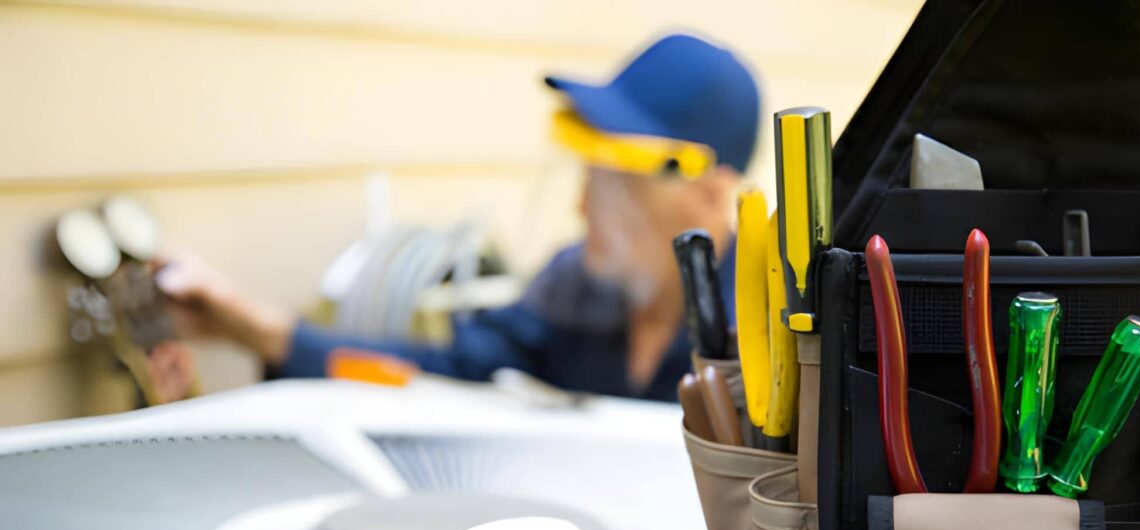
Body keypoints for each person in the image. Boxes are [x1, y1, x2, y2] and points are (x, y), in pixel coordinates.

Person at [154, 34, 760, 401]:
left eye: (619, 189)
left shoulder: (772, 336)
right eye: (588, 179)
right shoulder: (577, 289)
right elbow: (445, 372)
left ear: (710, 195)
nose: (583, 208)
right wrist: (258, 330)